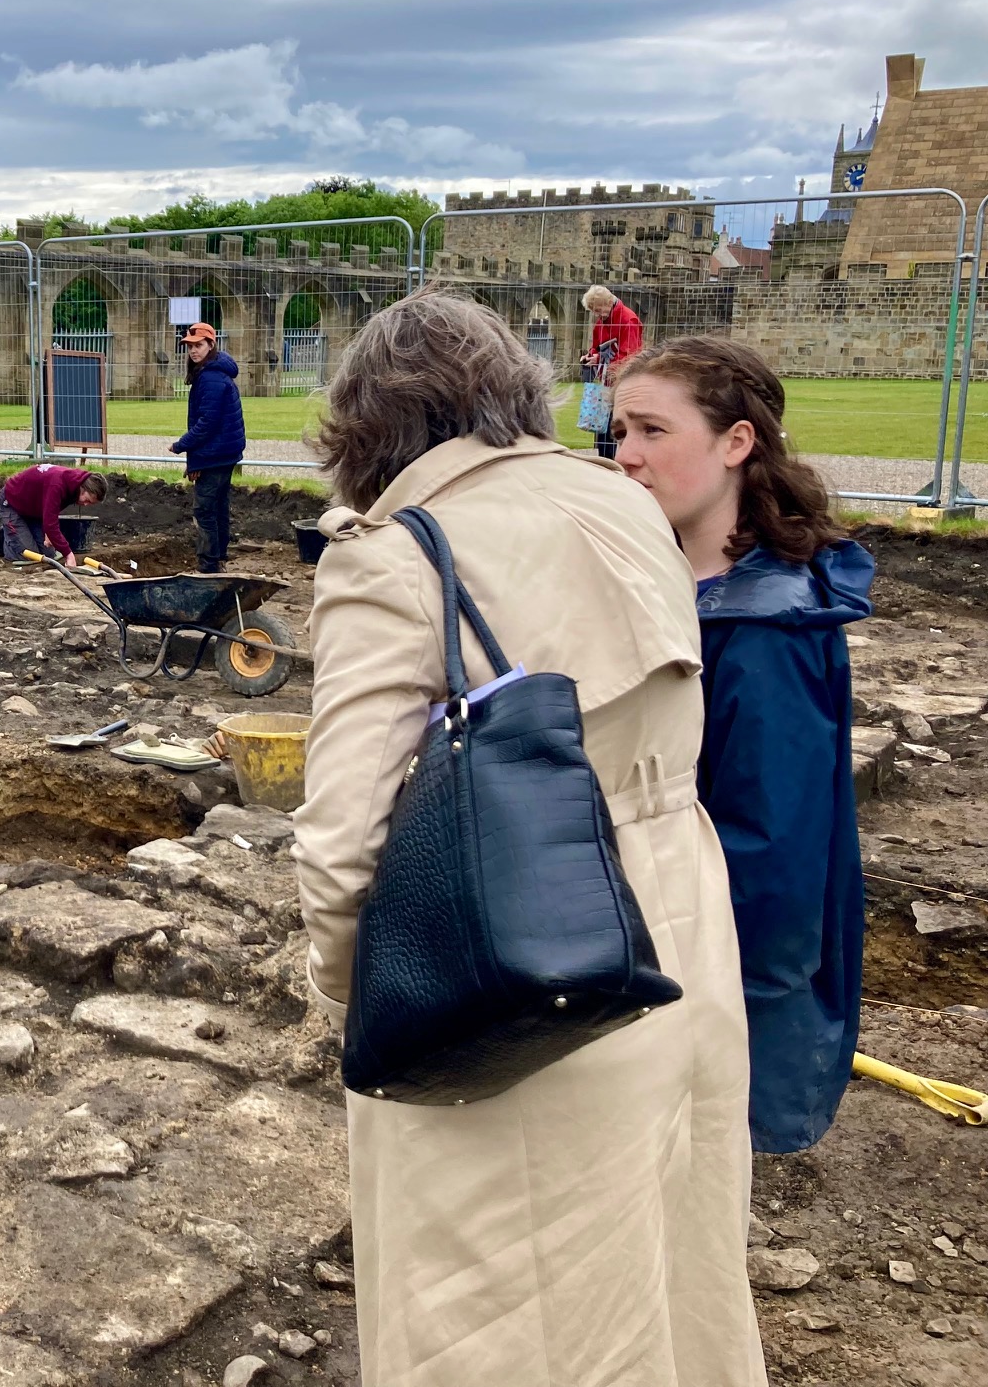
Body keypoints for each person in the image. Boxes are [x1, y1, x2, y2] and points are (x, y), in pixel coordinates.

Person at [295, 290, 763, 1386]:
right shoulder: (621, 504)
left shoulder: (395, 555)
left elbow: (343, 847)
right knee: (661, 1263)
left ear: (365, 427)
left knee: (502, 1309)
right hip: (679, 928)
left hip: (512, 948)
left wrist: (356, 995)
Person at [611, 335, 873, 1154]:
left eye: (654, 432)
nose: (627, 456)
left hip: (709, 964)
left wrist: (733, 1004)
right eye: (619, 432)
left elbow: (773, 844)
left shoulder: (765, 625)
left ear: (737, 442)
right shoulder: (657, 578)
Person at [168, 322, 244, 572]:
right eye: (190, 346)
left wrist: (181, 445)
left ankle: (209, 564)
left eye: (198, 345)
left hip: (215, 453)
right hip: (225, 453)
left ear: (211, 345)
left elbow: (207, 423)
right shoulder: (216, 372)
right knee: (219, 506)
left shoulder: (210, 377)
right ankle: (219, 557)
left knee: (205, 510)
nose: (193, 350)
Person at [580, 284, 645, 461]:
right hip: (606, 381)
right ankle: (603, 461)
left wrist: (600, 360)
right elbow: (596, 347)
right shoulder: (603, 320)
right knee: (602, 427)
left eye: (599, 310)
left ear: (609, 302)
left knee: (613, 425)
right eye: (594, 311)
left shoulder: (628, 319)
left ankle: (613, 462)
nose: (597, 315)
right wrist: (592, 357)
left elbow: (629, 355)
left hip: (622, 382)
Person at [0, 463, 106, 566]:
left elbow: (52, 508)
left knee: (48, 554)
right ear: (83, 489)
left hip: (33, 509)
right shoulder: (57, 484)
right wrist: (68, 554)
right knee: (27, 555)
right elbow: (51, 524)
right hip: (12, 502)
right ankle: (5, 536)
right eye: (87, 500)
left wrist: (49, 533)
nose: (86, 505)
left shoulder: (74, 485)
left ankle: (17, 533)